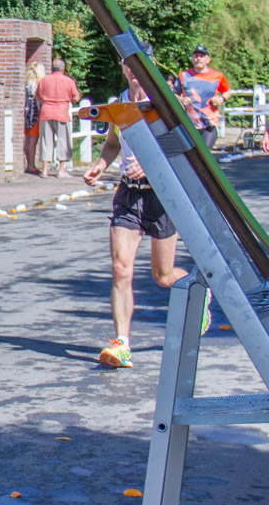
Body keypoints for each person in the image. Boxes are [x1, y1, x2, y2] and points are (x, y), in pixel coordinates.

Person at [83, 57, 205, 368]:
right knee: (120, 267)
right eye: (128, 64)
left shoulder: (165, 102)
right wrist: (99, 166)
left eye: (140, 64)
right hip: (128, 194)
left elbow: (186, 146)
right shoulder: (119, 104)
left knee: (163, 276)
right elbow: (113, 143)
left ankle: (199, 291)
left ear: (150, 66)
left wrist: (151, 163)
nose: (134, 70)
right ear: (123, 68)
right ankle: (121, 343)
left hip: (162, 195)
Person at [174, 46, 231, 151]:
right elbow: (173, 94)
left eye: (201, 56)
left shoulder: (217, 75)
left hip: (208, 124)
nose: (198, 59)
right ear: (192, 59)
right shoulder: (184, 75)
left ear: (208, 59)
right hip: (188, 124)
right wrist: (181, 100)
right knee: (190, 154)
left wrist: (221, 99)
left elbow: (227, 91)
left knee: (205, 154)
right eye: (196, 56)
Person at [35, 57, 81, 177]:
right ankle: (61, 170)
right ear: (63, 69)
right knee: (63, 141)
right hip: (61, 113)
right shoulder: (68, 81)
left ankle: (45, 170)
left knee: (46, 141)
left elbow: (37, 96)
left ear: (52, 69)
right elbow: (76, 97)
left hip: (46, 113)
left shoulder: (44, 80)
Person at [24, 62, 45, 174]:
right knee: (33, 140)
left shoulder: (26, 83)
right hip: (35, 115)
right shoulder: (38, 85)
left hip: (27, 115)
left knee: (28, 140)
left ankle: (29, 163)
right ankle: (31, 164)